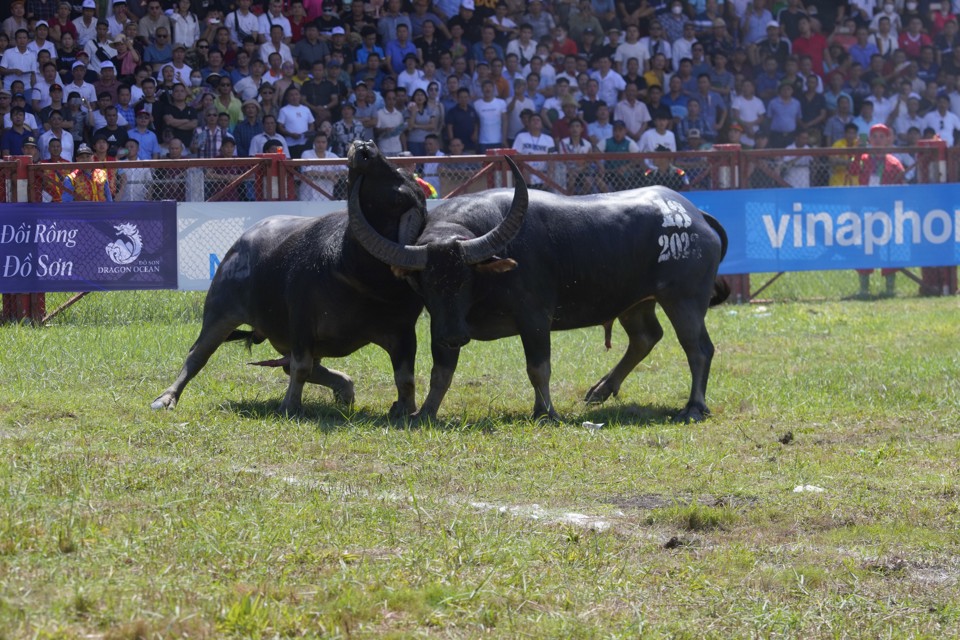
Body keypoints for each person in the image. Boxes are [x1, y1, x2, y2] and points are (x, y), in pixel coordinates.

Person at [848, 124, 905, 298]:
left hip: (887, 210)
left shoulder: (894, 163)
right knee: (865, 247)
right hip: (866, 210)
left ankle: (890, 289)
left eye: (882, 136)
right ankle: (864, 289)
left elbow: (901, 184)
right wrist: (857, 152)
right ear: (870, 140)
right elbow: (852, 171)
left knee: (889, 247)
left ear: (888, 140)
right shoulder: (864, 158)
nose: (878, 139)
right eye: (875, 136)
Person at [511, 112, 555, 188]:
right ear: (528, 123)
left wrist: (549, 178)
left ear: (542, 124)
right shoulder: (521, 136)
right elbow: (515, 154)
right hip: (525, 173)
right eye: (533, 120)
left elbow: (551, 160)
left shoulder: (549, 139)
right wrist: (525, 167)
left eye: (538, 120)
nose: (535, 121)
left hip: (542, 173)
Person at [299, 132, 341, 200]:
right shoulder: (306, 154)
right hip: (308, 197)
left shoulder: (332, 156)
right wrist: (328, 175)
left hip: (327, 197)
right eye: (318, 142)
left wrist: (335, 174)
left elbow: (345, 170)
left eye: (323, 142)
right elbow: (308, 172)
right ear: (314, 143)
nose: (320, 144)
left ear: (327, 143)